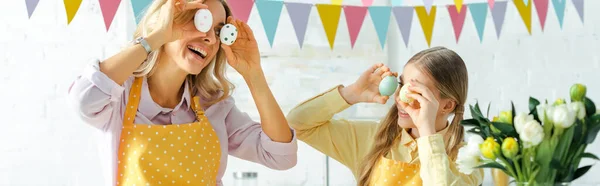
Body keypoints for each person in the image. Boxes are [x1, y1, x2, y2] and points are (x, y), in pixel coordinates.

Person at [67, 0, 297, 185]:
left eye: (219, 31)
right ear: (169, 21)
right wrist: (156, 37)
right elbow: (84, 100)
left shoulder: (214, 105)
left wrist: (254, 74)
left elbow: (281, 156)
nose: (211, 38)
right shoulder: (118, 95)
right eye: (201, 21)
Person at [287, 47, 483, 185]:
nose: (400, 98)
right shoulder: (372, 138)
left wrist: (427, 132)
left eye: (417, 93)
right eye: (402, 85)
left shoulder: (469, 159)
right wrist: (352, 93)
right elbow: (297, 124)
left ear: (447, 105)